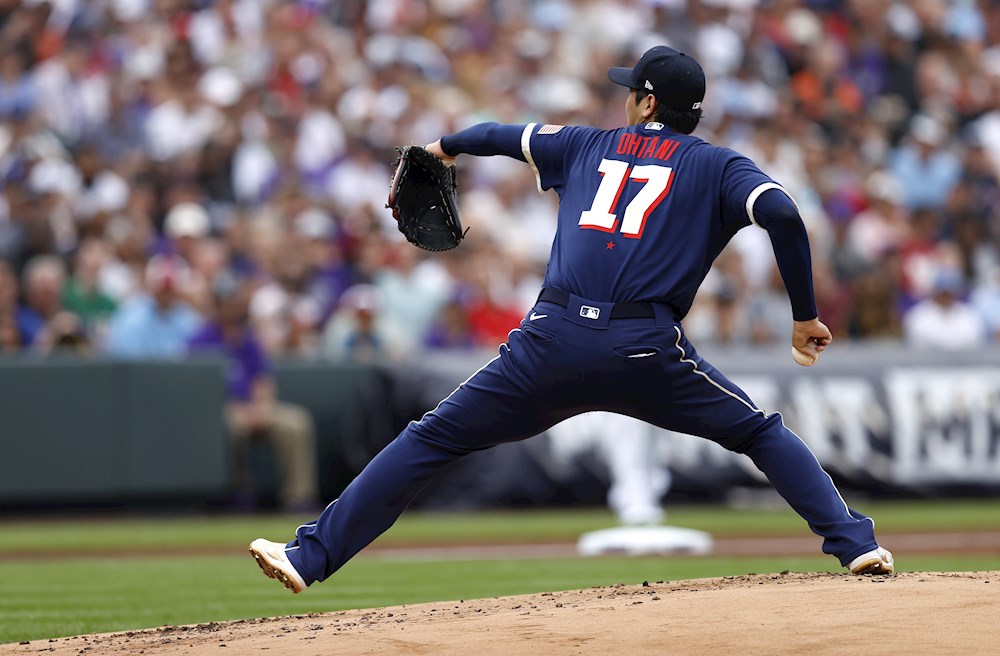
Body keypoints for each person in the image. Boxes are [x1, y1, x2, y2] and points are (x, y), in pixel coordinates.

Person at [249, 46, 893, 593]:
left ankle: (309, 556)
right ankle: (854, 543)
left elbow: (500, 135)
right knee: (758, 432)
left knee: (432, 439)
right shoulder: (719, 165)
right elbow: (781, 213)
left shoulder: (585, 146)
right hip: (644, 349)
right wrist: (804, 315)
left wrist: (440, 147)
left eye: (629, 93)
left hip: (550, 343)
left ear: (645, 102)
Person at [189, 272, 321, 512]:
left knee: (297, 423)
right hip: (222, 411)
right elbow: (197, 390)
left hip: (255, 408)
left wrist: (261, 406)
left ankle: (298, 499)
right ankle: (240, 494)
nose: (234, 308)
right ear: (218, 304)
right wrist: (237, 409)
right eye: (228, 303)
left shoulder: (248, 338)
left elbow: (264, 379)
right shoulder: (201, 339)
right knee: (231, 426)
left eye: (237, 303)